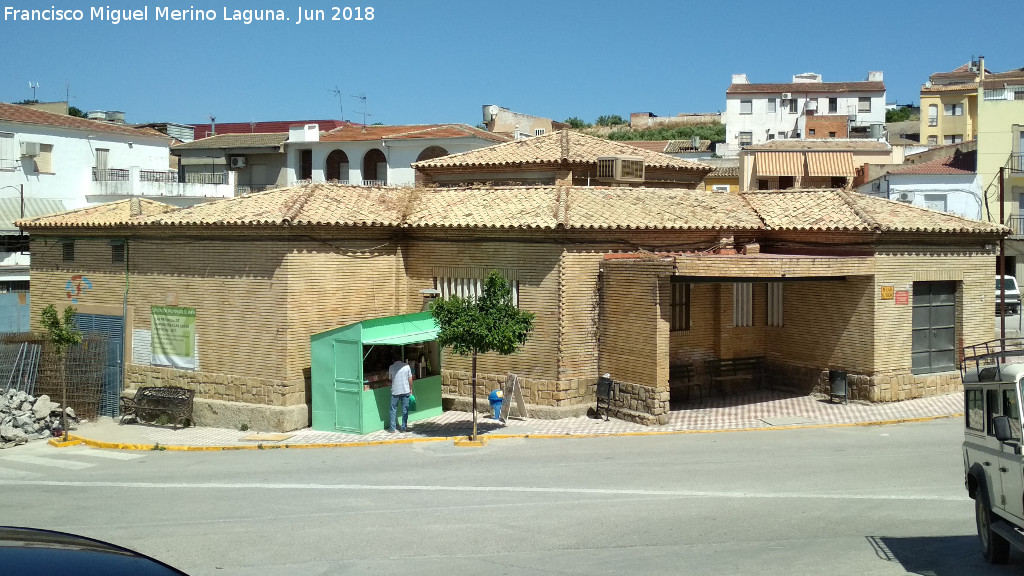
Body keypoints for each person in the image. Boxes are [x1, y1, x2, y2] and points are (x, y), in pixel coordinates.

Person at [388, 355, 414, 432]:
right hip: (405, 391)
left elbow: (390, 379)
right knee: (405, 410)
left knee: (393, 410)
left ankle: (392, 428)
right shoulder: (407, 367)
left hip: (395, 391)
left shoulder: (391, 367)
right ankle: (403, 428)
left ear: (393, 360)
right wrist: (410, 389)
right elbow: (410, 379)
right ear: (401, 360)